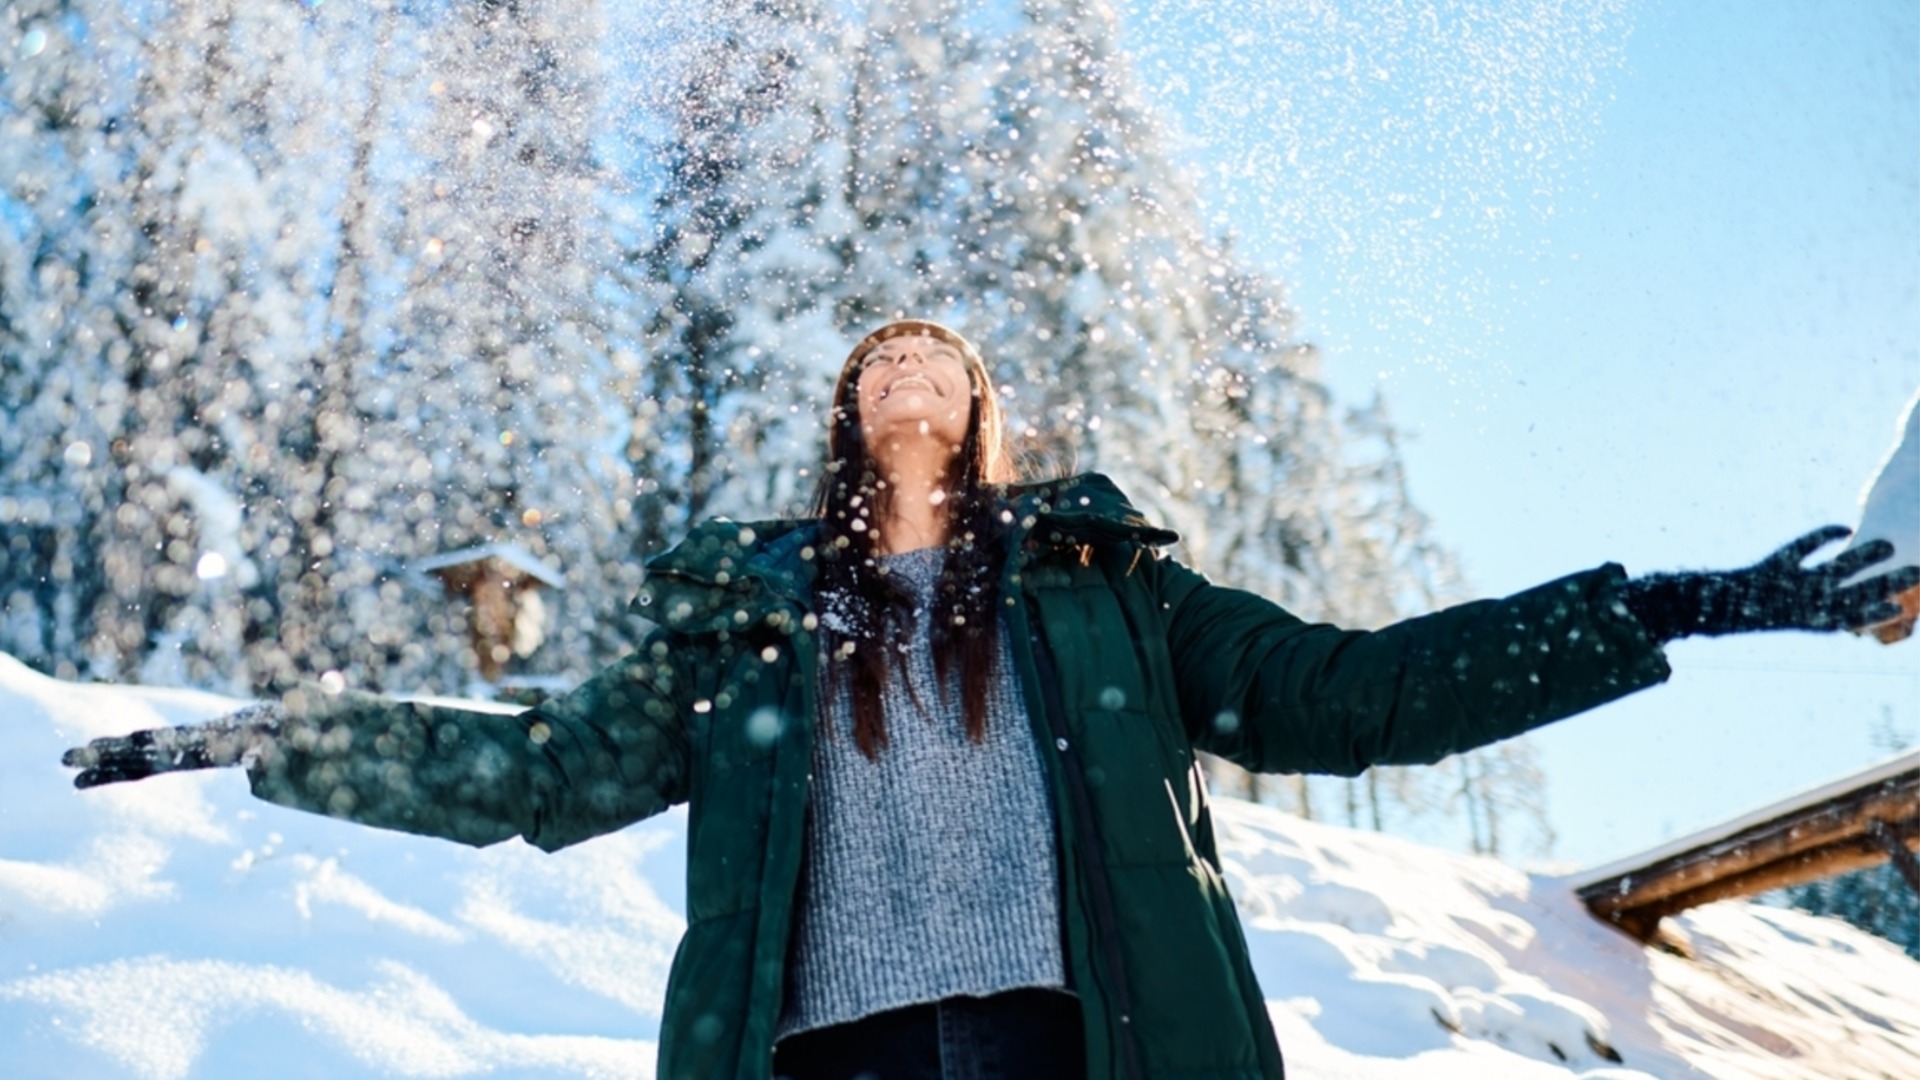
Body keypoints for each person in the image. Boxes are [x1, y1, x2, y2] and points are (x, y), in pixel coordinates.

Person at [63, 319, 1919, 1080]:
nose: (906, 367)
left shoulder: (1107, 596)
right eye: (878, 357)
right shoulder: (755, 625)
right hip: (830, 1057)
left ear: (981, 412)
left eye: (938, 355)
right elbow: (547, 768)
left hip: (1069, 1038)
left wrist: (1674, 606)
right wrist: (298, 741)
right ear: (848, 414)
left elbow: (1358, 695)